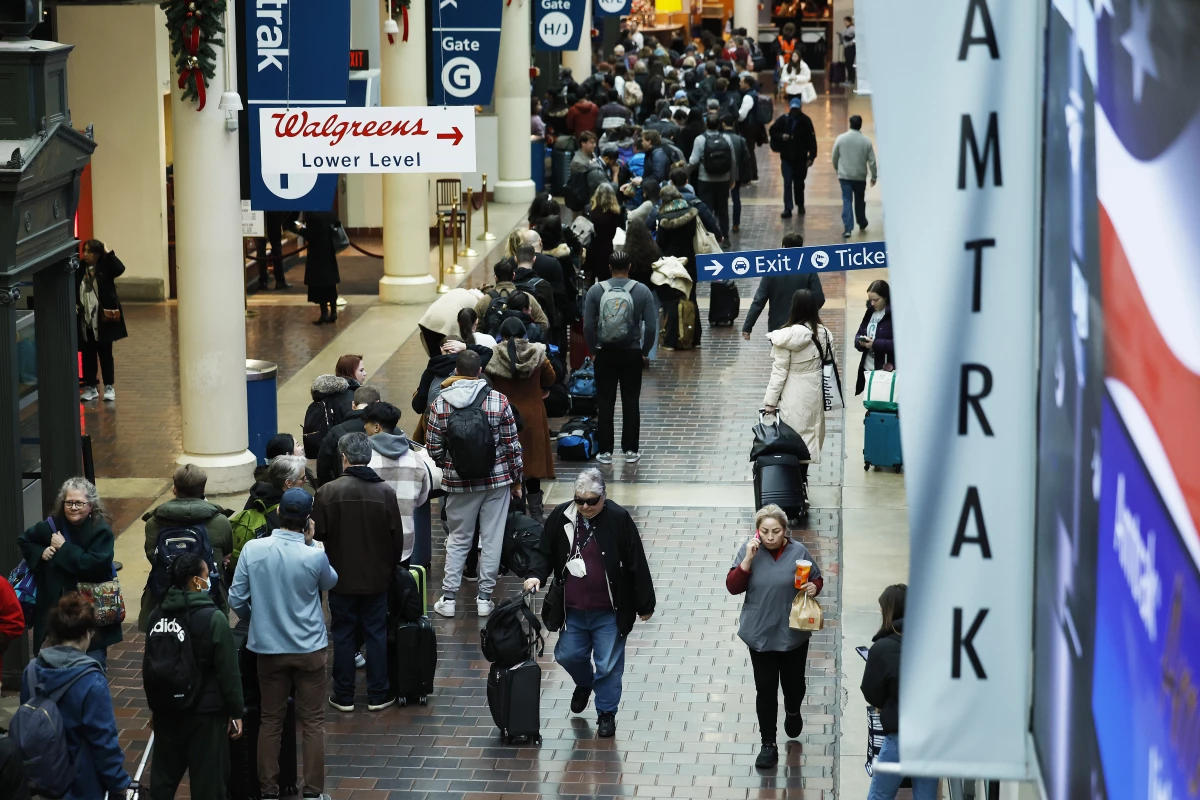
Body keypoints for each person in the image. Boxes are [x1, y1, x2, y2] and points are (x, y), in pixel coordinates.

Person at [523, 469, 656, 739]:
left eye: (591, 501)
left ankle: (606, 713)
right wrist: (536, 575)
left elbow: (636, 562)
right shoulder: (562, 516)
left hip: (609, 611)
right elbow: (544, 550)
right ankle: (584, 683)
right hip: (573, 609)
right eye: (579, 500)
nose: (584, 506)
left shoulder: (618, 518)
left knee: (608, 664)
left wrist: (645, 604)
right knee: (567, 655)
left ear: (603, 498)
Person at [228, 488, 338, 800]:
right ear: (307, 521)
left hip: (268, 648)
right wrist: (313, 543)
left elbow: (236, 597)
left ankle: (268, 790)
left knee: (270, 719)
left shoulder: (253, 550)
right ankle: (313, 792)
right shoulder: (314, 553)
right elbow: (330, 581)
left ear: (278, 515)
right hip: (309, 649)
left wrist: (257, 617)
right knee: (314, 720)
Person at [426, 350, 523, 618]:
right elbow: (512, 446)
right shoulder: (498, 400)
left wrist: (450, 467)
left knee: (458, 539)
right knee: (491, 538)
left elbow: (433, 447)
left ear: (455, 371)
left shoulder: (440, 404)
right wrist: (516, 480)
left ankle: (448, 598)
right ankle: (484, 598)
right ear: (480, 371)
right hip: (497, 480)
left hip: (458, 484)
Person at [725, 504, 823, 769]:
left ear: (785, 530)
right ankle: (768, 743)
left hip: (793, 631)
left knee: (794, 685)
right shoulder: (750, 551)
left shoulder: (798, 552)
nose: (770, 537)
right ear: (758, 531)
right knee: (765, 689)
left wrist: (814, 586)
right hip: (760, 633)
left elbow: (817, 579)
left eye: (776, 531)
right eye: (765, 531)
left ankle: (793, 710)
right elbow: (733, 587)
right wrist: (746, 560)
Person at [313, 432, 405, 712]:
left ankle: (343, 696)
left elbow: (319, 536)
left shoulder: (327, 492)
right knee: (376, 633)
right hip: (377, 581)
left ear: (344, 458)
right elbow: (396, 541)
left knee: (342, 636)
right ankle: (378, 694)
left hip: (340, 579)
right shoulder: (386, 492)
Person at [146, 554, 244, 800]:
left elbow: (150, 666)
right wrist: (236, 711)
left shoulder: (156, 616)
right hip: (205, 715)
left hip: (167, 711)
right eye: (206, 574)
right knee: (208, 786)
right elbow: (228, 671)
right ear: (195, 581)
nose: (209, 578)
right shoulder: (213, 618)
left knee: (163, 783)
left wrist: (155, 708)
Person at [19, 593, 130, 798]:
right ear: (88, 633)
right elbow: (104, 742)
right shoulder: (92, 682)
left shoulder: (31, 671)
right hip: (80, 784)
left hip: (39, 779)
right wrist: (119, 784)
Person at [17, 477, 122, 667]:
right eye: (69, 502)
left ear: (90, 505)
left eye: (79, 503)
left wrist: (63, 548)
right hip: (56, 611)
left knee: (91, 667)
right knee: (51, 668)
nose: (73, 507)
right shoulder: (51, 526)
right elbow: (25, 541)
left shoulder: (100, 530)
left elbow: (93, 564)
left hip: (90, 610)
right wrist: (41, 552)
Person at [862, 584, 938, 800]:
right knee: (926, 795)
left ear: (889, 612)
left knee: (880, 795)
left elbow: (871, 693)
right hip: (931, 735)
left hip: (900, 736)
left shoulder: (883, 648)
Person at [583, 252, 658, 463]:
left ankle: (606, 451)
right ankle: (630, 450)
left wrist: (593, 350)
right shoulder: (642, 291)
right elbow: (651, 326)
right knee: (631, 400)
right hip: (632, 352)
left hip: (604, 353)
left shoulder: (596, 291)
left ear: (609, 267)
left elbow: (588, 325)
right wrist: (645, 352)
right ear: (630, 266)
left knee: (605, 401)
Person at [139, 464, 233, 630]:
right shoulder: (220, 522)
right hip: (208, 599)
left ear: (174, 489)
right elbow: (226, 554)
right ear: (203, 489)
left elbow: (152, 556)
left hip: (164, 597)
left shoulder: (154, 522)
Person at [484, 317, 556, 521]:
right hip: (533, 417)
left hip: (504, 417)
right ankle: (536, 514)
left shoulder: (493, 356)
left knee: (508, 464)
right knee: (532, 468)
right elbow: (551, 378)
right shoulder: (538, 353)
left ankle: (513, 513)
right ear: (524, 333)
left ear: (502, 335)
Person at [762, 290, 832, 464]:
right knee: (810, 433)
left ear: (794, 307)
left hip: (793, 393)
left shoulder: (786, 337)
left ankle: (794, 481)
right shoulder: (824, 333)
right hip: (815, 392)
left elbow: (779, 371)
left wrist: (770, 402)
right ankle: (803, 479)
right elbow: (831, 361)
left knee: (792, 436)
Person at [363, 401, 431, 564]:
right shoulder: (416, 460)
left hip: (372, 540)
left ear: (377, 427)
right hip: (404, 540)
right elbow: (422, 498)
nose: (364, 427)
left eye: (366, 424)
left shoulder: (365, 460)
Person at [742, 234, 826, 337]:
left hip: (777, 327)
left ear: (783, 247)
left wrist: (748, 326)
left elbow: (759, 301)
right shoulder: (808, 270)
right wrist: (808, 314)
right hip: (803, 326)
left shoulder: (771, 270)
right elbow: (819, 298)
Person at [76, 239, 127, 402]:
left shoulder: (105, 267)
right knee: (88, 353)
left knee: (105, 353)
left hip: (103, 319)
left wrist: (108, 252)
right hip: (86, 319)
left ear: (98, 254)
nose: (86, 254)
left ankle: (109, 386)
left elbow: (120, 268)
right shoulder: (80, 268)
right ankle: (91, 387)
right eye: (84, 251)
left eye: (90, 251)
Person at [654, 185, 700, 350]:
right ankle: (695, 338)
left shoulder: (664, 218)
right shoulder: (691, 212)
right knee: (691, 297)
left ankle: (672, 340)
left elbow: (661, 244)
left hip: (672, 264)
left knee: (673, 301)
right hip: (690, 261)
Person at [316, 384, 382, 486]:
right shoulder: (386, 430)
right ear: (378, 403)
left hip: (342, 491)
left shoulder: (335, 432)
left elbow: (323, 470)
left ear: (353, 405)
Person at [687, 116, 741, 241]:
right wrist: (732, 179)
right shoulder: (726, 138)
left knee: (707, 209)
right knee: (723, 209)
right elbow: (732, 161)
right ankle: (725, 236)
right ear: (719, 125)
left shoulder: (700, 140)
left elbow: (693, 161)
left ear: (706, 124)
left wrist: (686, 172)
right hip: (723, 179)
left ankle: (709, 237)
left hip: (705, 179)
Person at [769, 98, 818, 218]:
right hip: (786, 158)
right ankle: (788, 208)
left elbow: (812, 140)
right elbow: (772, 131)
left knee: (799, 183)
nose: (795, 111)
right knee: (787, 182)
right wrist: (781, 136)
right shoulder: (784, 119)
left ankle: (800, 204)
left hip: (801, 158)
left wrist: (811, 157)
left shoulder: (806, 121)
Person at [831, 114, 878, 237]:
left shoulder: (841, 139)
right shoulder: (866, 141)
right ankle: (862, 222)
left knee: (847, 200)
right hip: (860, 177)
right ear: (860, 125)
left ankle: (848, 228)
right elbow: (872, 161)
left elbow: (834, 156)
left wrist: (838, 169)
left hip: (845, 176)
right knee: (859, 201)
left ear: (850, 124)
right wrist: (874, 176)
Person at [476, 261, 552, 335]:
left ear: (495, 277)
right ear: (513, 275)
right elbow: (544, 324)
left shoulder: (484, 301)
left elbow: (475, 327)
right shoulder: (527, 298)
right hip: (523, 346)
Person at [298, 210, 342, 324]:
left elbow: (310, 235)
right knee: (330, 283)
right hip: (329, 250)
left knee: (320, 283)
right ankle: (333, 311)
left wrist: (300, 229)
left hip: (317, 252)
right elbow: (337, 224)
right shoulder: (330, 211)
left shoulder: (312, 213)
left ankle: (324, 313)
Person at [854, 279, 895, 395]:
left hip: (885, 371)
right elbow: (859, 334)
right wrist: (860, 342)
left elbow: (901, 344)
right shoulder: (870, 312)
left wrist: (875, 344)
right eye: (870, 300)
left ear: (886, 297)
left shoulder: (895, 315)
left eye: (876, 300)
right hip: (868, 369)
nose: (872, 303)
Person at [585, 183, 627, 282]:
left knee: (590, 278)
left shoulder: (589, 209)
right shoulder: (617, 212)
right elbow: (622, 227)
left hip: (592, 247)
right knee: (605, 279)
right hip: (607, 248)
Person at [254, 211, 291, 290]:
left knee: (260, 250)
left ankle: (263, 282)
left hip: (258, 214)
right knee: (276, 247)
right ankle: (279, 281)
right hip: (273, 214)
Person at [841, 16, 856, 84]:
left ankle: (852, 80)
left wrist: (852, 42)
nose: (845, 23)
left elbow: (857, 36)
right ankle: (849, 79)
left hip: (851, 48)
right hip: (846, 47)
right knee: (847, 64)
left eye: (846, 22)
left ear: (849, 21)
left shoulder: (852, 28)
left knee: (850, 64)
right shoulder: (846, 29)